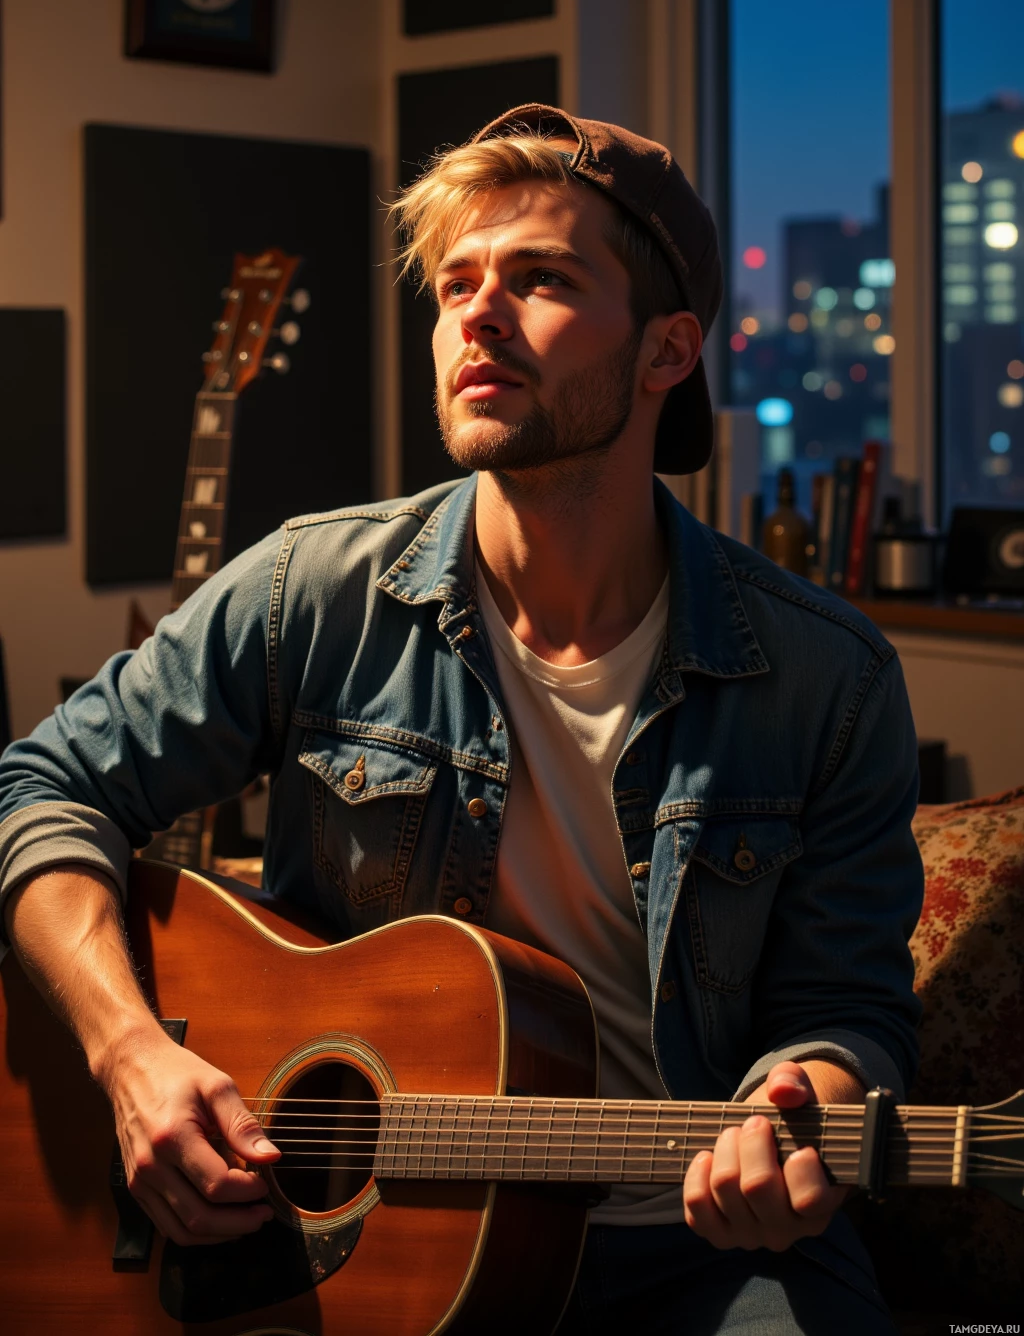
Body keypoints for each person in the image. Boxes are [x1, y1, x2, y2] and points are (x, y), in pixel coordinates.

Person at [0, 106, 922, 1333]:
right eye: (455, 285)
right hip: (358, 1240)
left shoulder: (826, 677)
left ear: (667, 351)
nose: (476, 316)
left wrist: (804, 1100)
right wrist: (129, 1055)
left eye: (540, 280)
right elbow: (42, 785)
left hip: (692, 1254)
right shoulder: (310, 591)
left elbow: (847, 1012)